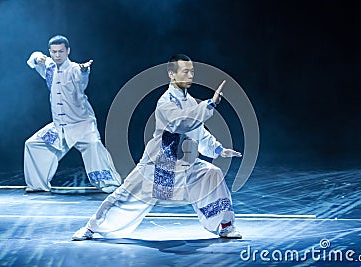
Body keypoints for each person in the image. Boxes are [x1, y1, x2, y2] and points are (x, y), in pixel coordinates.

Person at [72, 54, 242, 240]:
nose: (190, 76)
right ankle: (91, 228)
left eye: (192, 72)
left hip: (186, 163)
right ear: (172, 74)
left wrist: (218, 150)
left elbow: (198, 131)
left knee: (212, 174)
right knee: (126, 195)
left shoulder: (191, 101)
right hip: (159, 164)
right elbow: (183, 122)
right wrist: (210, 104)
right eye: (185, 72)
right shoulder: (165, 101)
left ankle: (225, 225)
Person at [24, 35, 121, 193]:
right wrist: (38, 58)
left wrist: (84, 71)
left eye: (61, 51)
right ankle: (37, 185)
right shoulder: (48, 67)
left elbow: (82, 81)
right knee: (33, 144)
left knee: (94, 145)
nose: (57, 55)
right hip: (59, 128)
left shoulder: (75, 68)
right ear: (50, 52)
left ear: (68, 51)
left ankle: (108, 183)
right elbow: (33, 58)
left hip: (82, 125)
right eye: (54, 52)